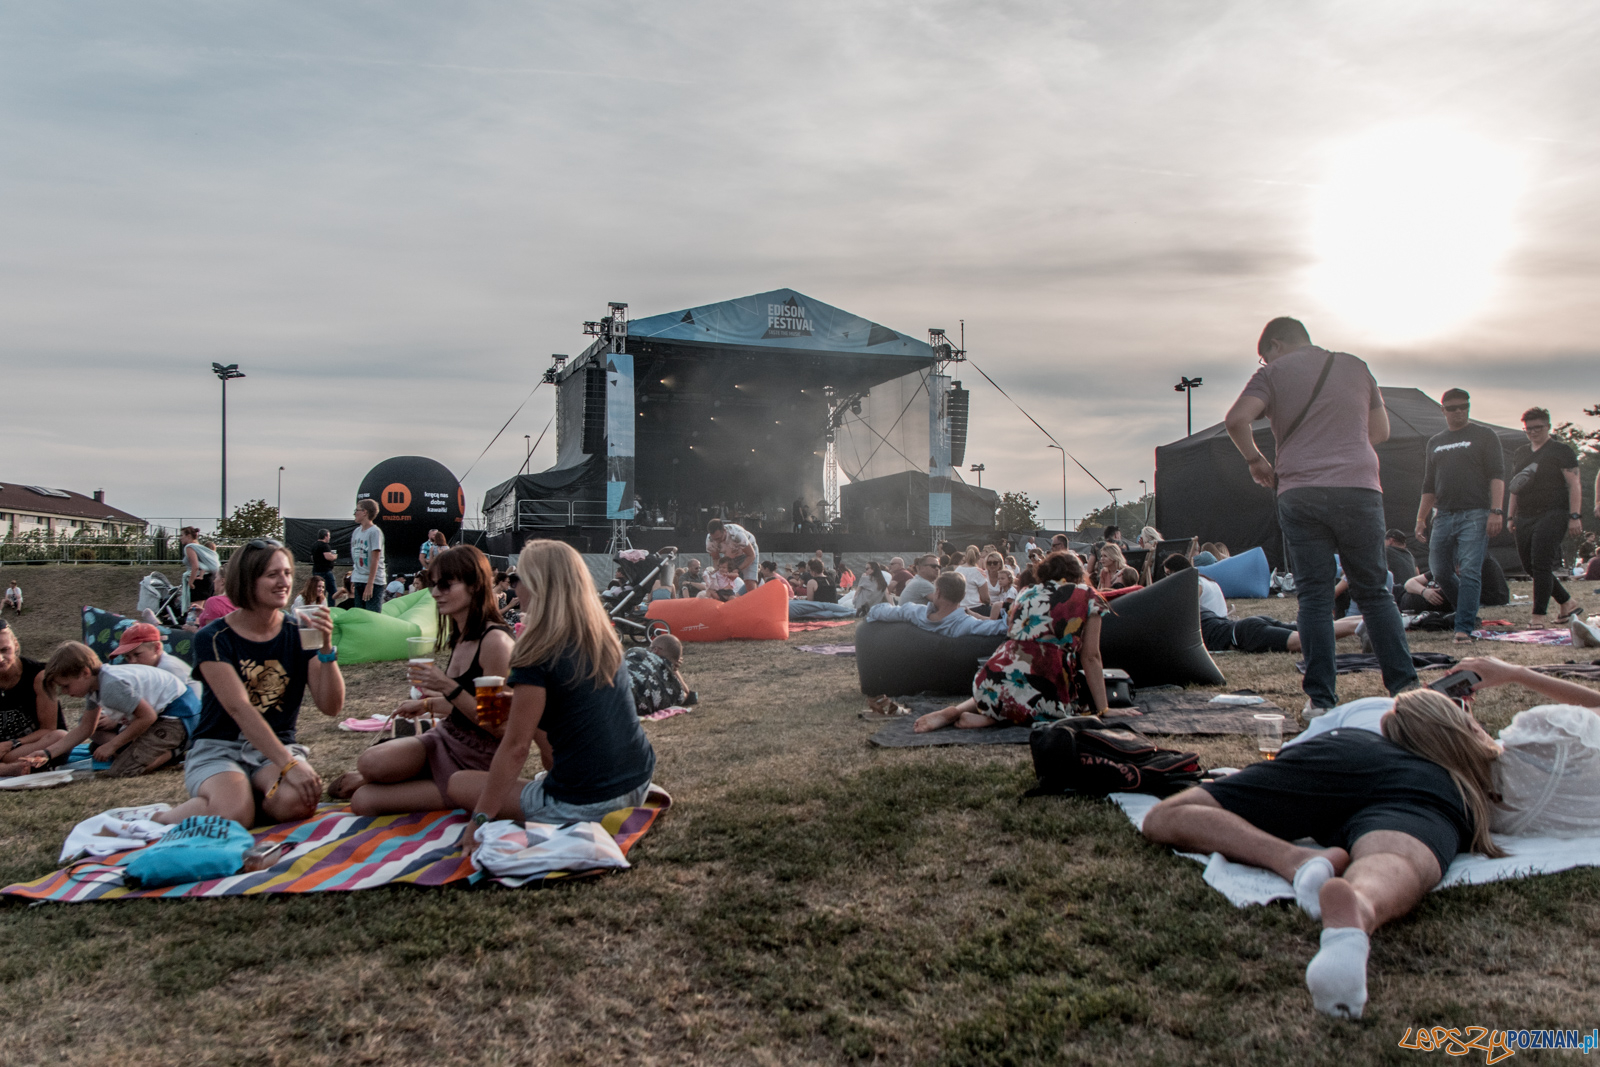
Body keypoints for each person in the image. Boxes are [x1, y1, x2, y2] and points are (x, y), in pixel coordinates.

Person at [1140, 688, 1499, 1020]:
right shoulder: (1460, 785)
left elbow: (1292, 749)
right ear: (1461, 728)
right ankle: (1360, 907)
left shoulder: (1364, 718)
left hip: (1344, 752)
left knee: (1167, 817)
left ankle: (1294, 860)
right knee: (1397, 860)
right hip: (1427, 790)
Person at [1224, 316, 1417, 717]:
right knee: (1376, 593)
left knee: (1313, 598)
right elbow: (1379, 432)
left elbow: (1236, 419)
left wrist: (1256, 461)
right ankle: (1407, 691)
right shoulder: (1355, 366)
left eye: (1263, 358)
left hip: (1300, 490)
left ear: (1275, 345)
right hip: (1359, 488)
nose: (1263, 365)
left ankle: (1320, 700)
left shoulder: (1274, 374)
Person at [448, 540, 657, 855]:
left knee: (459, 783)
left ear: (538, 585)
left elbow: (516, 749)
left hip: (587, 803)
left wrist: (479, 821)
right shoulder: (600, 636)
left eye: (518, 579)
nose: (514, 587)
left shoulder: (537, 651)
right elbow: (572, 702)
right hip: (637, 780)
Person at [152, 539, 344, 827]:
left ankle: (240, 798)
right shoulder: (214, 637)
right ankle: (159, 817)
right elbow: (239, 708)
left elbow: (331, 707)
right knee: (233, 815)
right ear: (247, 580)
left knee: (299, 803)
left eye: (288, 573)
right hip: (220, 747)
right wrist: (290, 765)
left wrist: (326, 650)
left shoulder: (299, 632)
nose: (284, 582)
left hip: (275, 747)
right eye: (272, 575)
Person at [330, 545, 515, 815]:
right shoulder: (462, 634)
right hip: (446, 738)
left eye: (445, 585)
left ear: (475, 586)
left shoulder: (494, 642)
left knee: (363, 801)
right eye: (432, 584)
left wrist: (446, 687)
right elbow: (467, 707)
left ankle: (433, 786)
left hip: (476, 761)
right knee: (370, 762)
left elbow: (497, 726)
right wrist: (428, 706)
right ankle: (410, 779)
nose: (435, 592)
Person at [914, 552, 1109, 732]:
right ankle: (995, 719)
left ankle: (957, 710)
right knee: (1063, 706)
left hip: (995, 674)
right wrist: (1104, 710)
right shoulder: (1087, 595)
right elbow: (1091, 656)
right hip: (1047, 678)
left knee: (1011, 686)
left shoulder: (1026, 593)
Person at [1413, 388, 1506, 644]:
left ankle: (1464, 627)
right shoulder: (1435, 441)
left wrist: (1496, 510)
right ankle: (1467, 613)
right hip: (1442, 514)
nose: (1459, 411)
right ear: (1443, 410)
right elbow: (1428, 484)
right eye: (1452, 408)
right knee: (1440, 570)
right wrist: (1421, 519)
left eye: (1464, 406)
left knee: (1470, 570)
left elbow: (1497, 475)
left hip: (1475, 513)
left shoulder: (1484, 435)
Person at [41, 642, 202, 778]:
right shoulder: (94, 687)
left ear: (85, 673)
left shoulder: (110, 686)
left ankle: (177, 752)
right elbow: (86, 728)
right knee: (114, 751)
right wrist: (47, 754)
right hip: (164, 714)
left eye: (66, 686)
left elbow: (147, 717)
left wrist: (112, 745)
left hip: (180, 715)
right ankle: (159, 748)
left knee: (123, 770)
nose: (64, 692)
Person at [1168, 554, 1359, 653]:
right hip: (1248, 625)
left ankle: (1360, 624)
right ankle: (1362, 620)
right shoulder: (1203, 582)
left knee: (1301, 640)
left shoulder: (1184, 612)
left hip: (1244, 633)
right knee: (1306, 629)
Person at [1507, 406, 1584, 628]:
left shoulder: (1561, 450)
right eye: (1528, 429)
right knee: (1529, 566)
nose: (1532, 432)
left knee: (1541, 563)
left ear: (1548, 426)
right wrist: (1511, 516)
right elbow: (1515, 487)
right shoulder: (1521, 452)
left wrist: (1575, 516)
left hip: (1554, 513)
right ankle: (1567, 602)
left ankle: (1537, 617)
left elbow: (1574, 484)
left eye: (1537, 427)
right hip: (1525, 515)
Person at [0, 619, 64, 776]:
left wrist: (12, 744)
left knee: (60, 737)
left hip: (31, 746)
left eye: (4, 650)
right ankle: (14, 769)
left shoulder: (38, 675)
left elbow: (48, 729)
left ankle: (11, 767)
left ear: (15, 645)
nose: (0, 659)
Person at [866, 573, 1007, 640]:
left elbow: (876, 611)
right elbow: (1004, 627)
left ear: (937, 592)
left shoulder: (914, 612)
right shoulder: (966, 624)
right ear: (963, 596)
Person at [110, 622, 201, 700]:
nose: (132, 661)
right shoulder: (151, 667)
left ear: (156, 648)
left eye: (137, 654)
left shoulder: (168, 667)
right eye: (127, 657)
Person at [1396, 558, 1510, 615]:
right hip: (1414, 594)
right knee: (1397, 589)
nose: (1458, 570)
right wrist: (1424, 591)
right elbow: (1409, 583)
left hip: (1415, 602)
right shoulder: (1444, 570)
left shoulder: (1477, 567)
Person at [626, 634, 694, 715]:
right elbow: (689, 694)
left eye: (650, 647)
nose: (648, 649)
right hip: (625, 706)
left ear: (655, 650)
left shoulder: (635, 651)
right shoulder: (674, 689)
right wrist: (674, 669)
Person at [350, 498, 386, 612]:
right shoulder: (356, 531)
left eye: (357, 510)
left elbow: (375, 559)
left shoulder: (375, 532)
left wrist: (370, 584)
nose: (355, 513)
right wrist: (354, 578)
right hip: (359, 579)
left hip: (373, 582)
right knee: (359, 614)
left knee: (371, 615)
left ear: (365, 512)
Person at [705, 519, 759, 593]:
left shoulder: (737, 534)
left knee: (749, 581)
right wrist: (718, 572)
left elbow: (751, 555)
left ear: (724, 530)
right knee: (723, 580)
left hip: (747, 553)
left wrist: (737, 569)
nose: (717, 541)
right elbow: (716, 559)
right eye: (715, 539)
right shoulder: (710, 541)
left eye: (719, 538)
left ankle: (754, 601)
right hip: (730, 554)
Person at [180, 527, 220, 607]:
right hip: (209, 578)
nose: (180, 538)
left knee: (195, 609)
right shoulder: (199, 547)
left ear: (188, 536)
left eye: (182, 535)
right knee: (205, 608)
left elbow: (195, 566)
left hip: (199, 580)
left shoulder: (189, 547)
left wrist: (191, 582)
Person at [310, 528, 337, 595]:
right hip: (325, 571)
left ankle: (319, 603)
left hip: (316, 570)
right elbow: (328, 557)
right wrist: (335, 556)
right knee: (332, 591)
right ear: (325, 536)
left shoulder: (314, 545)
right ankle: (330, 605)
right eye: (329, 536)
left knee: (319, 591)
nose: (329, 537)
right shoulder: (325, 546)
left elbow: (312, 557)